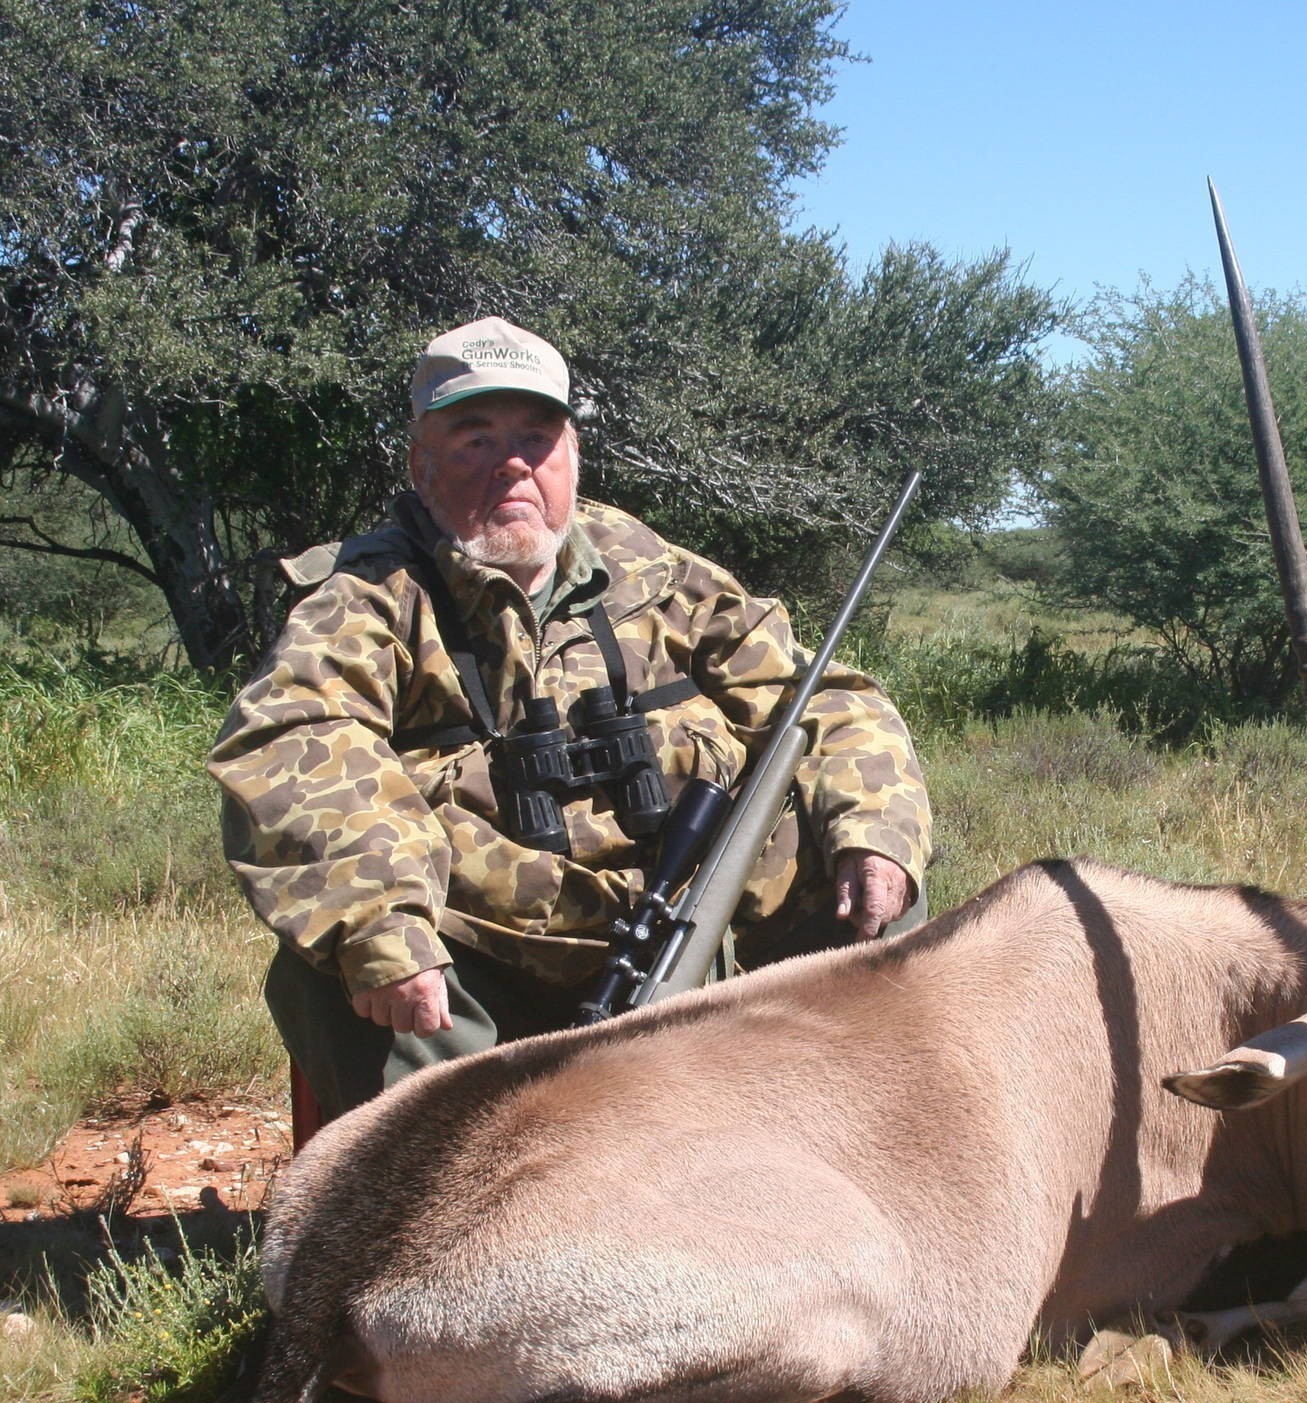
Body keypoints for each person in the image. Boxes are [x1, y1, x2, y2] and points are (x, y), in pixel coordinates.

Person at [210, 318, 931, 1129]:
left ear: (572, 455)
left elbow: (827, 695)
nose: (512, 463)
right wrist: (381, 922)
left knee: (865, 879)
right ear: (421, 463)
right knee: (350, 959)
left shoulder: (656, 571)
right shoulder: (372, 593)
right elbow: (297, 736)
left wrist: (876, 830)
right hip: (487, 959)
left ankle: (854, 1156)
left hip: (681, 929)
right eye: (475, 439)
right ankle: (457, 1216)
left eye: (536, 437)